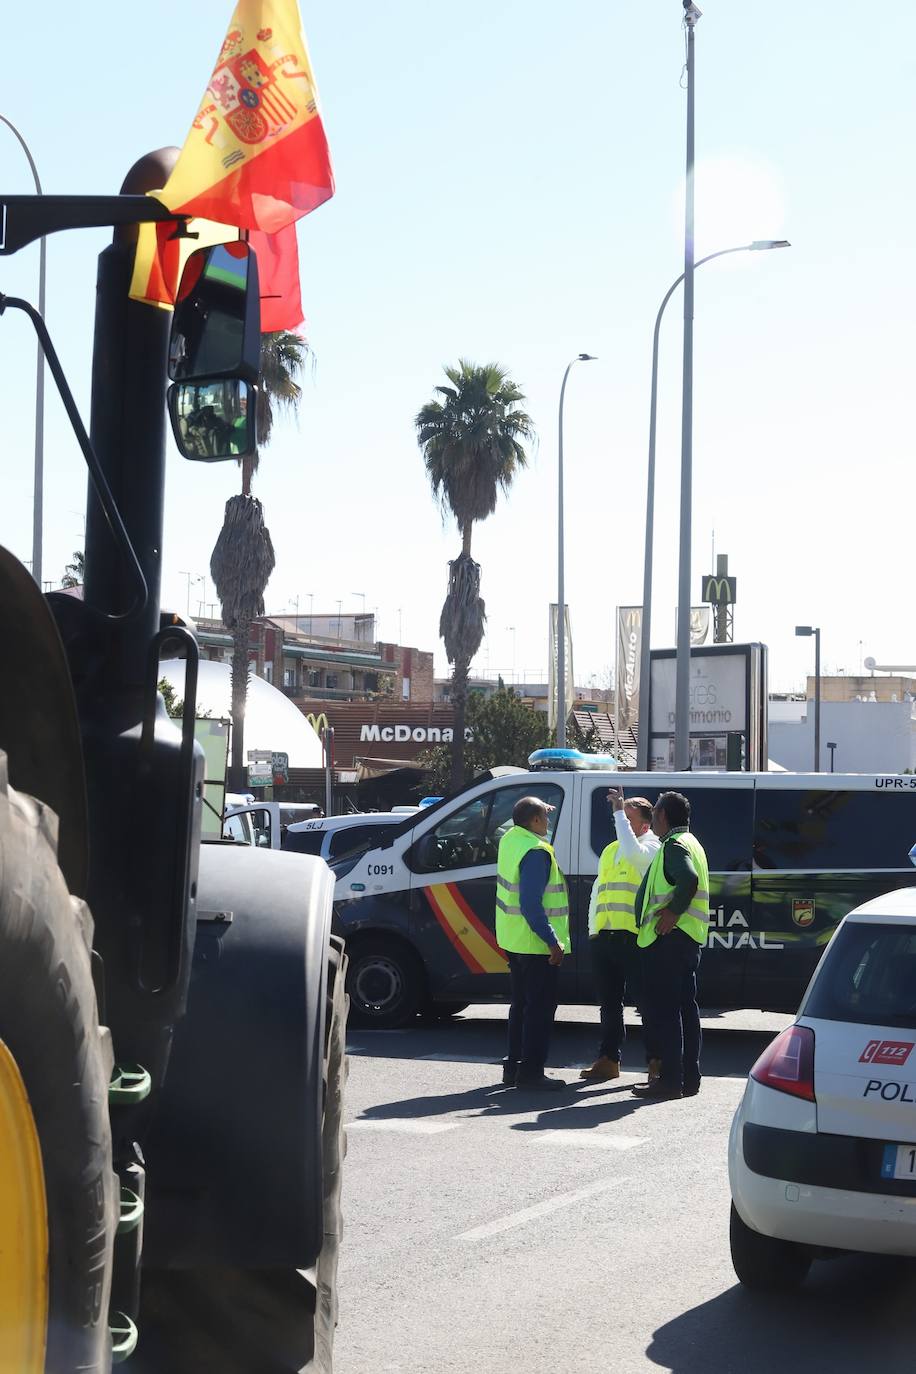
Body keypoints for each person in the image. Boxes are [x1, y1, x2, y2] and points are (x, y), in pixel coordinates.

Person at [631, 791, 709, 1101]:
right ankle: (688, 1079)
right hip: (685, 939)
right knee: (685, 1010)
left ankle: (670, 1081)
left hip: (669, 939)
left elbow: (688, 879)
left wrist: (673, 912)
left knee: (665, 1012)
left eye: (655, 814)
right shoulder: (690, 842)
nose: (652, 820)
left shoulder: (674, 846)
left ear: (663, 816)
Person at [580, 790, 661, 1083]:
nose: (621, 823)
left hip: (635, 937)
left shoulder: (652, 846)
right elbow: (598, 890)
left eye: (627, 819)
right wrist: (594, 930)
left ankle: (657, 1062)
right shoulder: (611, 849)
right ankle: (609, 1059)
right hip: (605, 936)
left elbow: (633, 855)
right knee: (609, 1004)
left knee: (646, 1003)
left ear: (644, 825)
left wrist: (617, 812)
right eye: (619, 817)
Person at [495, 795, 571, 1091]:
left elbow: (525, 818)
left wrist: (537, 809)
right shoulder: (537, 852)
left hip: (513, 939)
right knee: (539, 1011)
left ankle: (514, 1067)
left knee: (521, 1007)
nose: (548, 822)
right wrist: (552, 941)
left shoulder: (511, 839)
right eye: (545, 817)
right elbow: (530, 904)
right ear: (535, 821)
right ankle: (531, 1072)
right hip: (536, 944)